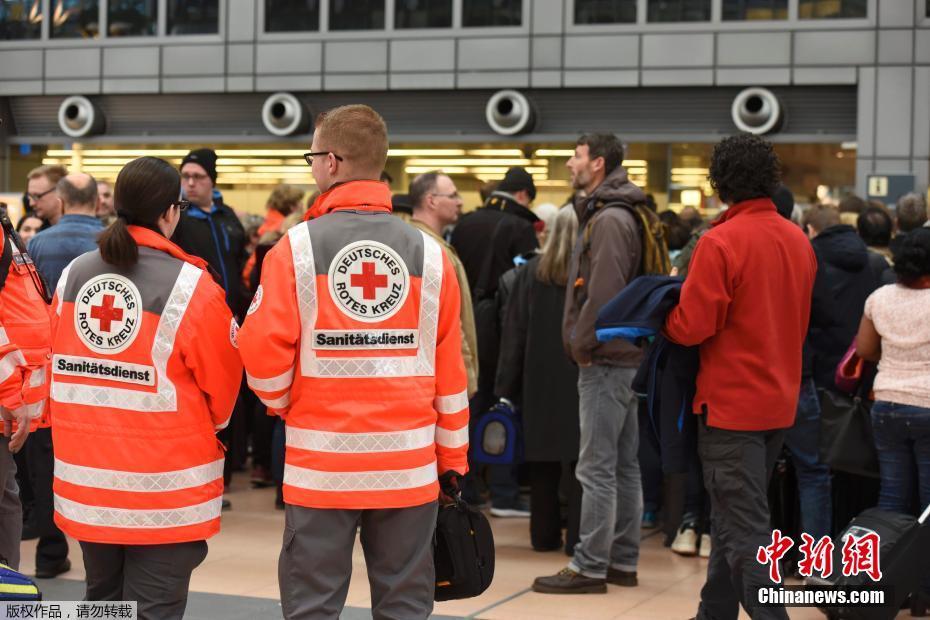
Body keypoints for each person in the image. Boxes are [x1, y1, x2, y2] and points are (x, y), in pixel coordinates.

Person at [239, 104, 469, 620]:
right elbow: (450, 374)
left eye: (313, 157)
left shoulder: (293, 250)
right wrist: (452, 460)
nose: (313, 167)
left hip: (321, 467)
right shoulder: (431, 256)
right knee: (406, 605)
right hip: (408, 469)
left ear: (334, 162)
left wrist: (284, 404)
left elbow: (259, 351)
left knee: (313, 605)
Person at [48, 157, 242, 619]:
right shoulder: (193, 286)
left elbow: (56, 361)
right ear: (169, 212)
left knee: (104, 604)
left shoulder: (75, 274)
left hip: (89, 484)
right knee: (153, 609)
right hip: (163, 492)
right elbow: (224, 387)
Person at [664, 135, 817, 620]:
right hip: (778, 402)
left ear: (720, 183)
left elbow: (692, 327)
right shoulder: (797, 240)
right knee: (734, 522)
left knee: (746, 530)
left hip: (731, 408)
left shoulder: (720, 242)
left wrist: (664, 316)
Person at [534, 133, 647, 594]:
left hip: (605, 358)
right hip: (622, 355)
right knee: (621, 464)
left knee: (597, 467)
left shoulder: (609, 219)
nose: (568, 164)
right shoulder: (616, 212)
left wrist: (582, 344)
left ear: (597, 163)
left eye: (576, 156)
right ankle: (621, 560)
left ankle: (591, 565)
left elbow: (603, 292)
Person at [25, 172, 106, 580]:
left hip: (49, 367)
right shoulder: (111, 242)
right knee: (100, 456)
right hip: (100, 370)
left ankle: (49, 552)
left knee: (45, 460)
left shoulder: (37, 244)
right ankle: (103, 545)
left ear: (61, 198)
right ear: (97, 200)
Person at [496, 205, 582, 555]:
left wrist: (505, 388)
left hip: (538, 379)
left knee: (542, 464)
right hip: (579, 377)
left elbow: (514, 334)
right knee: (580, 467)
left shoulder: (530, 273)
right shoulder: (588, 274)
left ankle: (543, 536)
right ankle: (577, 539)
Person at [856, 227, 930, 613]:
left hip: (886, 404)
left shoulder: (879, 297)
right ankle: (926, 591)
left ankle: (883, 586)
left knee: (892, 499)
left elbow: (866, 349)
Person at [0, 202, 52, 571]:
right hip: (5, 394)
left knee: (7, 497)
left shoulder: (6, 231)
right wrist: (8, 393)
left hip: (13, 394)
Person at [409, 171, 479, 397]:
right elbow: (451, 321)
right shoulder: (432, 251)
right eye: (453, 195)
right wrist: (467, 379)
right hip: (442, 379)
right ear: (431, 200)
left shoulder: (418, 243)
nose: (460, 202)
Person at [171, 148, 249, 318]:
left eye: (198, 176)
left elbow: (241, 262)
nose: (190, 183)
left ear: (212, 181)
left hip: (235, 314)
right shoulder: (176, 218)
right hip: (197, 314)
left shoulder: (228, 215)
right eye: (185, 176)